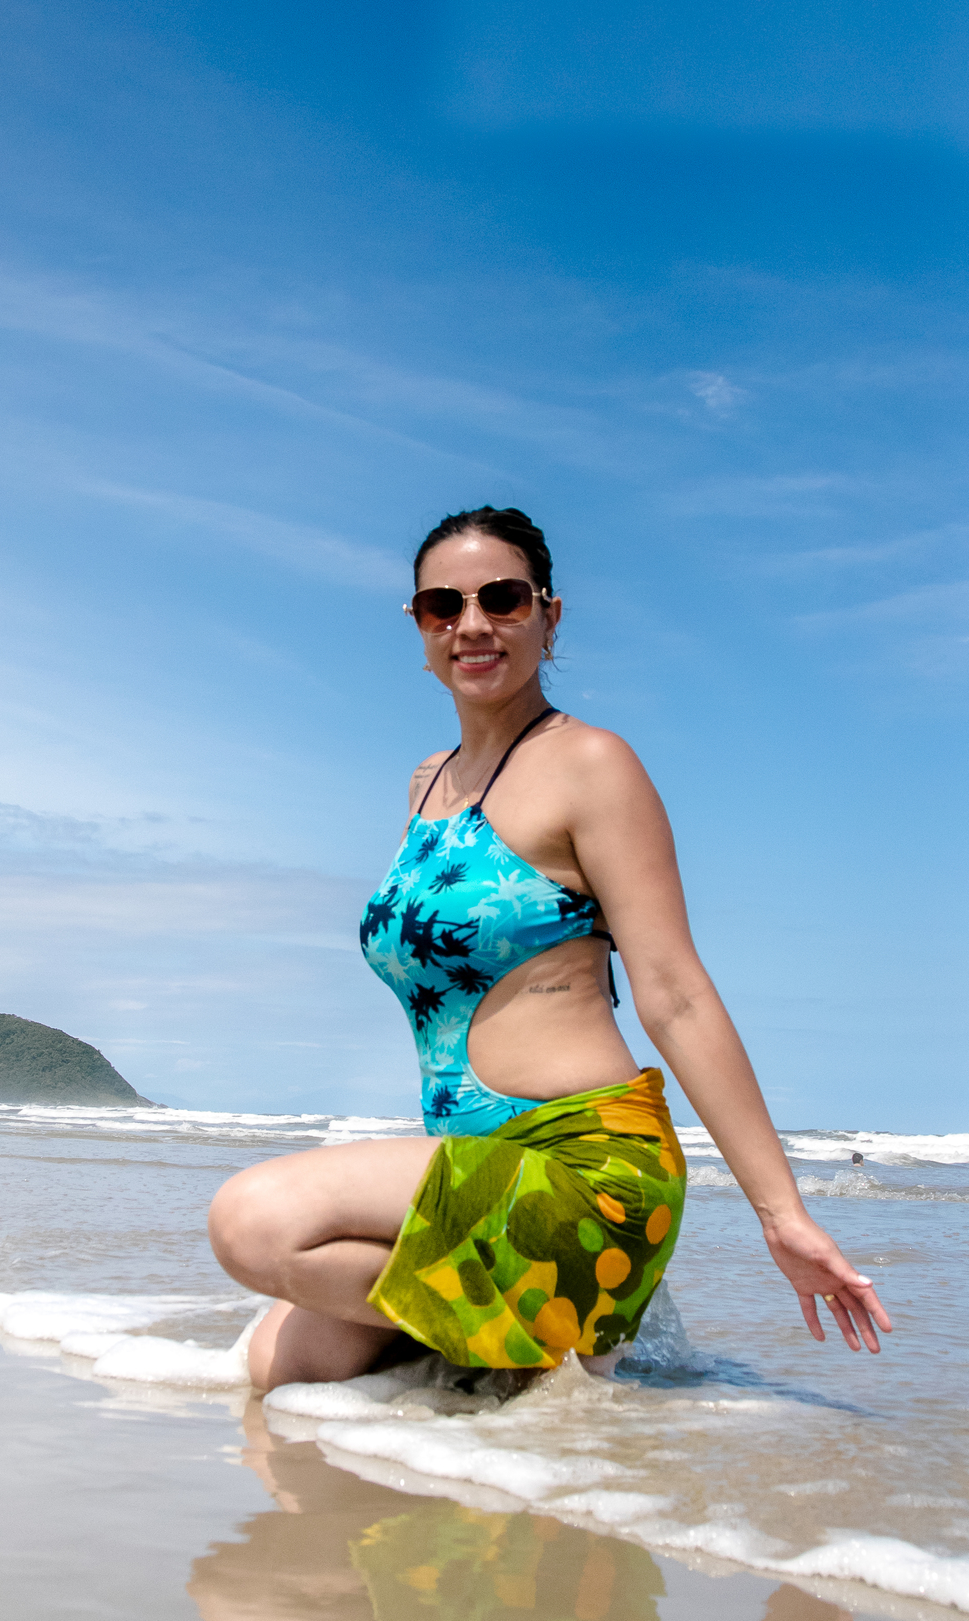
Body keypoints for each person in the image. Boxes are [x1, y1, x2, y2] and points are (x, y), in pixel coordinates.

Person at [208, 506, 892, 1390]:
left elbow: (675, 993)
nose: (473, 625)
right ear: (418, 626)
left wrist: (783, 1214)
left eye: (503, 598)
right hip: (479, 1169)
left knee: (254, 1222)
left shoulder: (593, 766)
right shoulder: (426, 786)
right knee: (278, 1374)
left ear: (549, 616)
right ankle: (525, 1337)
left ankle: (542, 1331)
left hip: (586, 1169)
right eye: (442, 606)